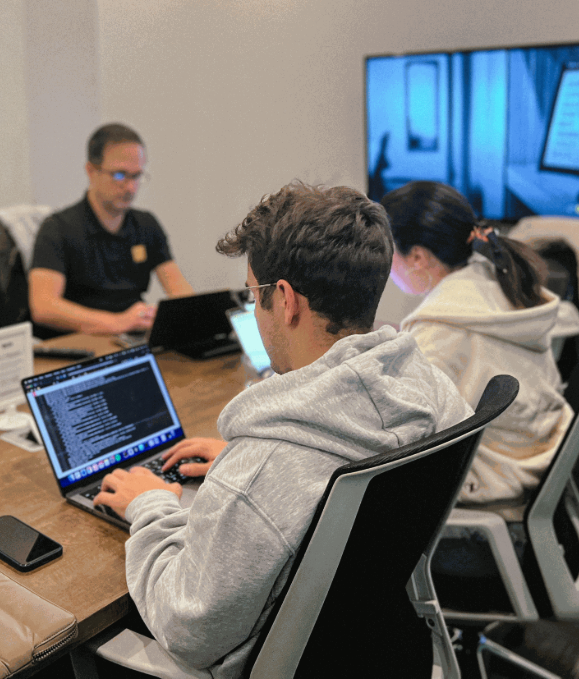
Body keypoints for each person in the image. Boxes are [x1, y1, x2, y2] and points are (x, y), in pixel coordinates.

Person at [93, 182, 473, 678]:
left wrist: (151, 505)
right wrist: (237, 462)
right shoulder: (429, 387)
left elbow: (187, 631)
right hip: (381, 647)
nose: (255, 309)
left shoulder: (265, 471)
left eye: (255, 294)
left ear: (286, 301)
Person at [380, 180, 573, 504]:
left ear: (416, 256)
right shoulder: (497, 283)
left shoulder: (442, 328)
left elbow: (402, 426)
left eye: (387, 251)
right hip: (538, 452)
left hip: (493, 474)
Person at [29, 123, 193, 334]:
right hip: (82, 342)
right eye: (119, 175)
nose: (130, 187)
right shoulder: (58, 229)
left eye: (137, 176)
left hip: (132, 336)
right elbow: (43, 307)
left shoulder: (146, 225)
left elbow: (178, 288)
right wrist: (117, 322)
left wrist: (197, 314)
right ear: (91, 171)